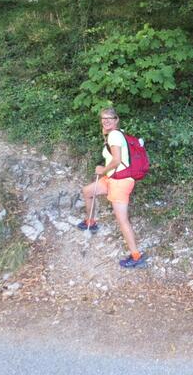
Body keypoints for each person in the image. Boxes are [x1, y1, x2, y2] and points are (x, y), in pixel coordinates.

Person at [77, 107, 146, 268]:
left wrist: (102, 170)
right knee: (87, 191)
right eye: (103, 118)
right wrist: (105, 133)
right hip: (112, 179)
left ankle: (136, 256)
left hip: (120, 182)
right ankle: (90, 222)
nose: (106, 121)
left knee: (122, 220)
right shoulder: (116, 134)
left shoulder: (114, 135)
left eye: (109, 118)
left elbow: (116, 160)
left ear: (116, 120)